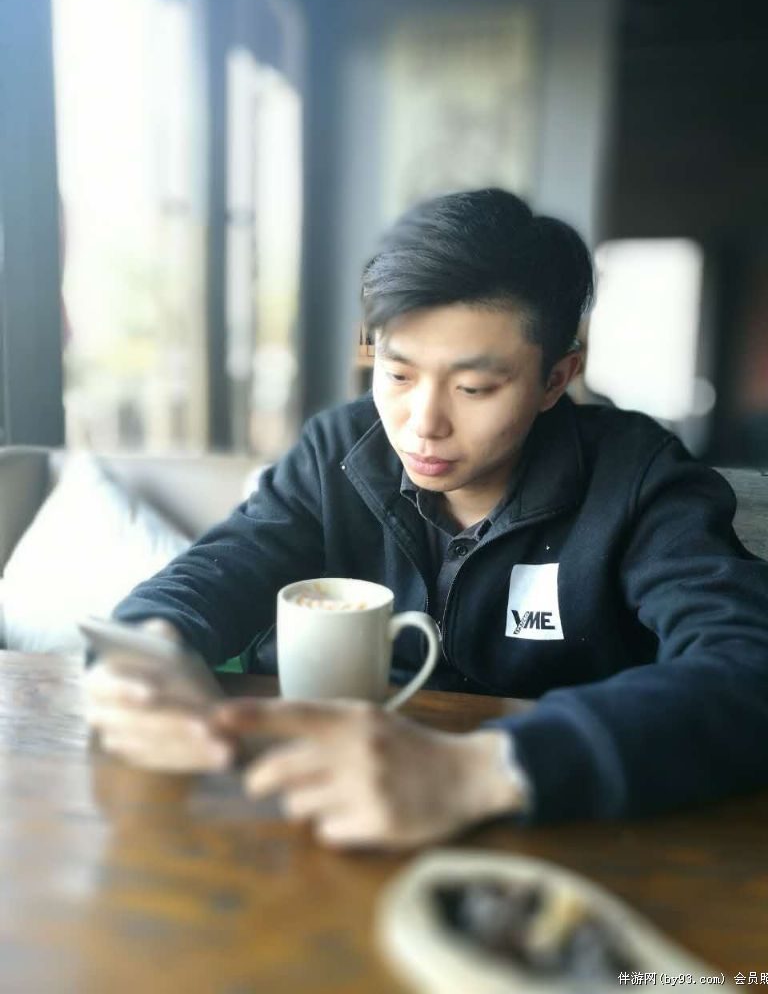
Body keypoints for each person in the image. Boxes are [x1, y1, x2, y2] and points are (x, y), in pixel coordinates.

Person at [86, 188, 768, 849]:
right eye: (398, 374)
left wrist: (485, 769)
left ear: (556, 379)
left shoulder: (637, 478)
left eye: (474, 387)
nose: (423, 423)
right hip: (313, 803)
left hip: (544, 829)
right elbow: (220, 568)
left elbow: (746, 664)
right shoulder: (338, 450)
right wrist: (150, 649)